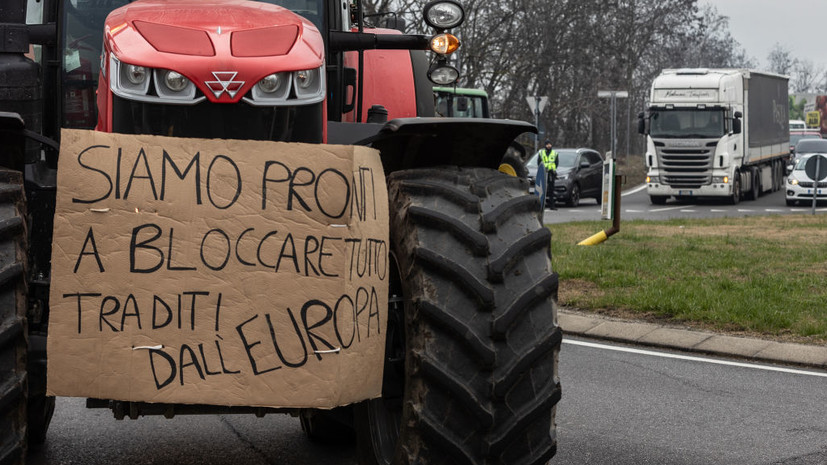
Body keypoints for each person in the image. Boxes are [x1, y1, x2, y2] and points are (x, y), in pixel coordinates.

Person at [539, 140, 558, 209]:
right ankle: (541, 205)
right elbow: (539, 162)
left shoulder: (554, 153)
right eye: (547, 144)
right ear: (545, 145)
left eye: (550, 144)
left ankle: (552, 205)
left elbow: (556, 163)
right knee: (542, 189)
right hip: (543, 173)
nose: (549, 145)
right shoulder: (541, 153)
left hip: (551, 173)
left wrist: (552, 169)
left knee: (551, 190)